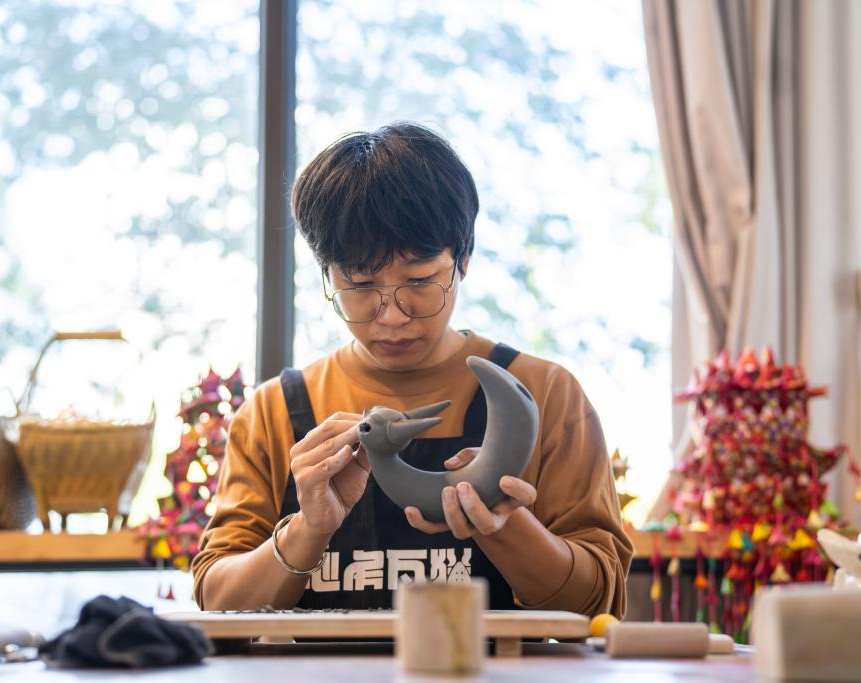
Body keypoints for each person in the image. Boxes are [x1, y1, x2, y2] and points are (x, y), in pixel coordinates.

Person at [191, 122, 633, 617]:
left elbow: (601, 601)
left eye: (420, 281)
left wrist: (506, 526)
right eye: (360, 286)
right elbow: (217, 602)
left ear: (463, 259)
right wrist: (307, 529)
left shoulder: (544, 394)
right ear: (326, 275)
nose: (393, 315)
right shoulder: (275, 410)